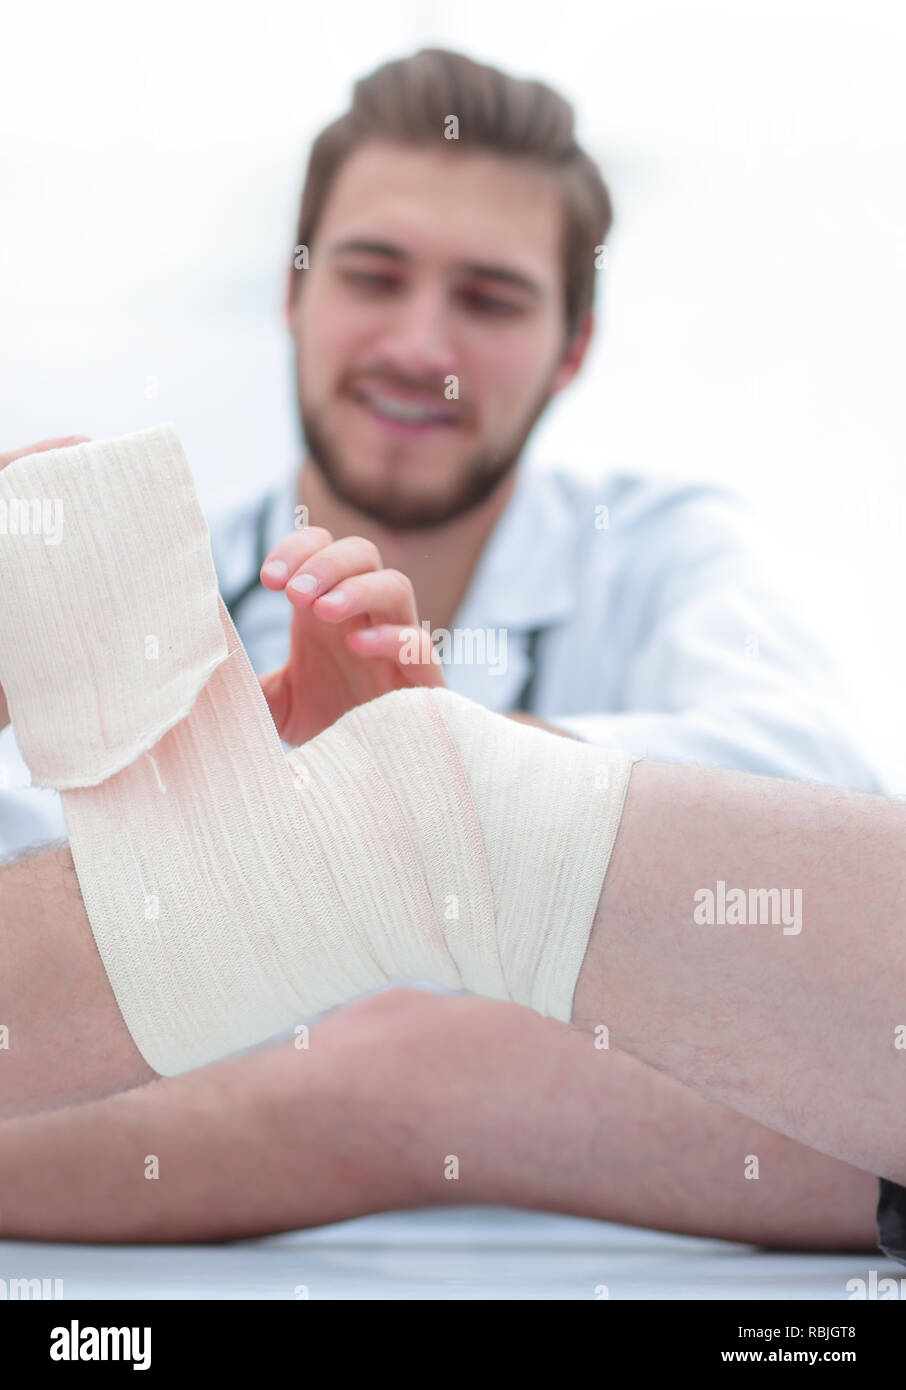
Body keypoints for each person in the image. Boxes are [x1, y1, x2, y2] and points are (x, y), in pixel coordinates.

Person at [0, 47, 889, 1260]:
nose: (422, 343)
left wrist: (407, 772)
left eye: (490, 297)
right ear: (294, 294)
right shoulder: (137, 610)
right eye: (373, 275)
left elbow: (826, 795)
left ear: (573, 348)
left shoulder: (661, 552)